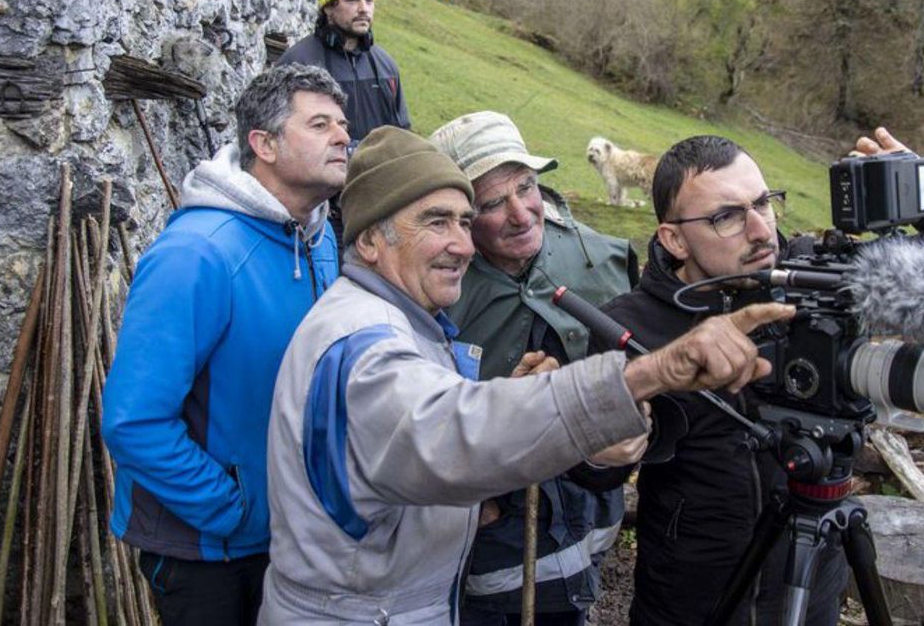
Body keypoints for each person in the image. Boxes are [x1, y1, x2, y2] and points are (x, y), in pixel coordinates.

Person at [261, 126, 795, 625]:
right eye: (436, 222)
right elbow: (454, 434)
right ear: (371, 241)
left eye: (464, 221)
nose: (464, 245)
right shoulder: (363, 342)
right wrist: (644, 375)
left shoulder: (400, 319)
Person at [596, 127, 924, 626]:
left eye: (764, 203)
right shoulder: (630, 326)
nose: (762, 231)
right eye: (727, 217)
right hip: (689, 602)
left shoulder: (823, 282)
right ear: (674, 239)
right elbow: (594, 469)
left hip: (813, 592)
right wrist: (604, 449)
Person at [102, 64, 351, 625]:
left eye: (342, 123)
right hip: (206, 548)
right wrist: (232, 510)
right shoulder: (196, 253)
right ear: (263, 144)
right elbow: (133, 420)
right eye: (319, 124)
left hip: (288, 532)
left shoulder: (318, 239)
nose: (342, 136)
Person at [431, 111, 642, 625]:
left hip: (591, 524)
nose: (523, 214)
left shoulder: (603, 260)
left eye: (526, 187)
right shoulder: (431, 298)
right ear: (460, 216)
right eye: (493, 203)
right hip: (487, 549)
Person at [277, 0, 409, 145]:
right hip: (321, 172)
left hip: (378, 171)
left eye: (369, 0)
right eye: (353, 0)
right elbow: (280, 132)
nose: (364, 8)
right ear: (329, 8)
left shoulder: (385, 64)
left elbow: (402, 129)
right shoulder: (298, 63)